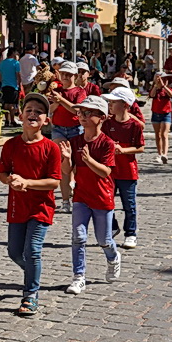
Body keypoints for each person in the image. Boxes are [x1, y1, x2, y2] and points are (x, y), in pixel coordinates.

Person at [0, 93, 60, 317]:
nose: (32, 114)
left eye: (38, 112)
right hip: (17, 207)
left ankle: (30, 294)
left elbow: (54, 181)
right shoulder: (11, 144)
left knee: (32, 250)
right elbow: (3, 173)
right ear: (20, 116)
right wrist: (10, 181)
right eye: (29, 110)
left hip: (41, 207)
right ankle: (32, 274)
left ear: (46, 121)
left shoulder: (51, 148)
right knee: (14, 252)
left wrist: (28, 183)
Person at [64, 97, 120, 293]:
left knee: (104, 240)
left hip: (102, 198)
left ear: (102, 117)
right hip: (81, 197)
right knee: (78, 237)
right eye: (80, 113)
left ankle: (113, 257)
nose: (82, 117)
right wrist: (65, 158)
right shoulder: (75, 141)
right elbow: (67, 169)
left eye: (88, 113)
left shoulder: (107, 143)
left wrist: (88, 160)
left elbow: (106, 172)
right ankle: (79, 277)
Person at [102, 88, 144, 249]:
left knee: (129, 205)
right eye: (110, 102)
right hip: (110, 170)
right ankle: (111, 228)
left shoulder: (134, 125)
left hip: (128, 170)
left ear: (125, 105)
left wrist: (124, 150)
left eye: (113, 102)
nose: (110, 105)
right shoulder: (107, 123)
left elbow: (140, 147)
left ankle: (131, 233)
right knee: (107, 202)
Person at [149, 72, 172, 164]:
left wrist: (164, 86)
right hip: (156, 113)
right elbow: (151, 95)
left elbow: (171, 95)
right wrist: (156, 85)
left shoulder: (167, 89)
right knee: (157, 134)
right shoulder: (154, 88)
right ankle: (160, 153)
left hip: (166, 113)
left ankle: (165, 154)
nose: (163, 81)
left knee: (164, 134)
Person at [0, 48, 22, 126]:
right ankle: (12, 120)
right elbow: (18, 75)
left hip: (4, 85)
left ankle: (6, 120)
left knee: (5, 104)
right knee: (12, 104)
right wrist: (19, 83)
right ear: (13, 54)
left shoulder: (2, 63)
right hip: (13, 86)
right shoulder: (16, 63)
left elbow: (0, 75)